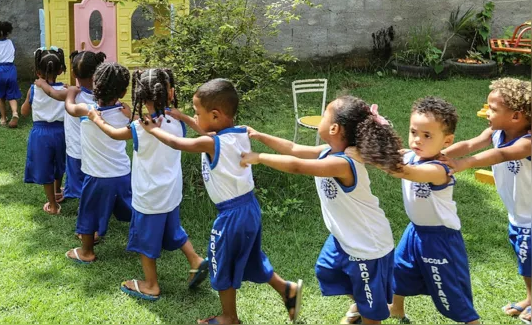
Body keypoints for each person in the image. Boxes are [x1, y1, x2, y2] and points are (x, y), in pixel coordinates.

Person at [141, 78, 302, 325]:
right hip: (249, 208)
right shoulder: (239, 133)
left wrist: (153, 129)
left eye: (197, 113)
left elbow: (178, 143)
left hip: (231, 215)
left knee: (220, 261)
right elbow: (206, 131)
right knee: (250, 257)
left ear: (215, 115)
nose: (195, 116)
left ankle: (229, 318)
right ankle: (286, 289)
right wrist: (184, 117)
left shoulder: (211, 142)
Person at [240, 95, 402, 325]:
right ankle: (359, 301)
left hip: (367, 245)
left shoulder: (344, 163)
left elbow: (297, 166)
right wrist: (260, 136)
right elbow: (294, 149)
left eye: (325, 115)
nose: (321, 118)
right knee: (327, 270)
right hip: (344, 238)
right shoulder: (327, 151)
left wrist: (258, 157)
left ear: (335, 128)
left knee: (371, 314)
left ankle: (364, 309)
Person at [351, 97, 479, 323]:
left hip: (441, 239)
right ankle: (396, 308)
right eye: (413, 132)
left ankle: (471, 321)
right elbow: (390, 156)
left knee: (449, 291)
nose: (417, 140)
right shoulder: (410, 156)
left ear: (447, 141)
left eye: (427, 135)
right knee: (399, 271)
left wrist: (375, 157)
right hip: (415, 231)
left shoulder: (439, 169)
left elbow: (405, 172)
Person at [87, 68, 208, 301]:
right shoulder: (175, 122)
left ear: (139, 97)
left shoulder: (139, 128)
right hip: (171, 193)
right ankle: (195, 260)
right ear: (170, 93)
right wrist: (183, 116)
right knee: (173, 229)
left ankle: (151, 284)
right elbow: (204, 133)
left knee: (145, 241)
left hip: (148, 197)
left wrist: (96, 118)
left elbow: (113, 133)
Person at [444, 78, 531, 324]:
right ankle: (530, 298)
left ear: (516, 116)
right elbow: (470, 144)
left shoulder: (527, 142)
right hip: (519, 214)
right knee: (524, 259)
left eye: (493, 109)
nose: (486, 112)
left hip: (531, 217)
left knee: (529, 259)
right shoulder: (495, 132)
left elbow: (501, 154)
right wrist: (439, 154)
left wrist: (464, 164)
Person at [64, 62, 132, 264]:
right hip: (122, 173)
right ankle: (152, 237)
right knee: (132, 209)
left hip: (97, 176)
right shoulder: (125, 113)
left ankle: (86, 251)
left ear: (95, 84)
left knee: (89, 212)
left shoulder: (88, 110)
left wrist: (70, 93)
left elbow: (69, 108)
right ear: (123, 91)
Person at [20, 48, 68, 215]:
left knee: (45, 166)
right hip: (62, 132)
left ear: (37, 71)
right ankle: (57, 190)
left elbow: (24, 112)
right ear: (61, 70)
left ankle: (53, 205)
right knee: (59, 163)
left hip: (41, 134)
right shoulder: (65, 89)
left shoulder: (34, 89)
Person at [62, 51, 106, 201]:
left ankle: (84, 204)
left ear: (74, 73)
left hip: (76, 149)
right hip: (95, 149)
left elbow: (51, 92)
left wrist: (69, 92)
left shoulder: (71, 95)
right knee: (93, 178)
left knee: (78, 180)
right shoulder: (102, 97)